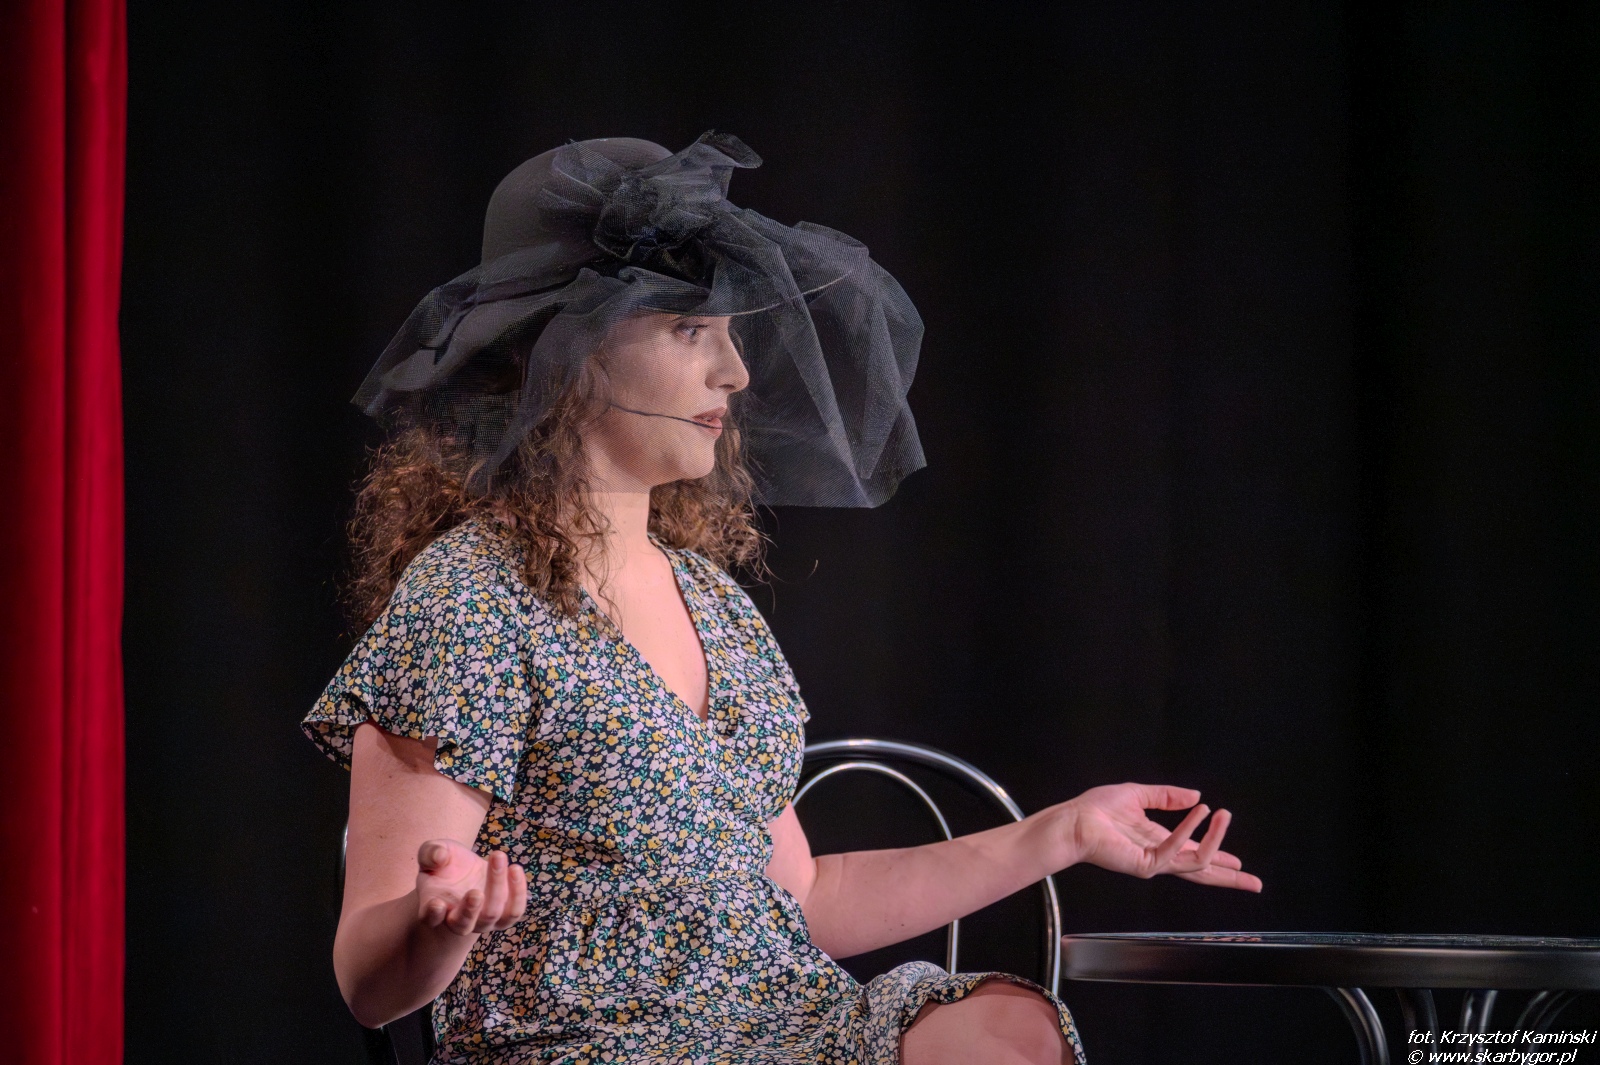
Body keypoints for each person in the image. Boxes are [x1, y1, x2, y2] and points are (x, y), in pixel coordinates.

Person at [302, 133, 1261, 1065]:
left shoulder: (713, 603)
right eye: (690, 330)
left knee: (1009, 1031)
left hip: (786, 1026)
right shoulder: (471, 600)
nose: (736, 372)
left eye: (730, 333)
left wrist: (1063, 831)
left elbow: (803, 896)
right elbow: (367, 983)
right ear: (569, 350)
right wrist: (437, 924)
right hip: (592, 1042)